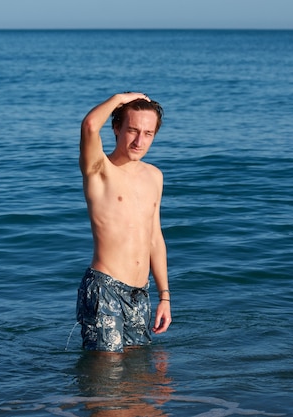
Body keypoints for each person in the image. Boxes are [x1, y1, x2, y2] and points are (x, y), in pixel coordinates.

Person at [76, 92, 172, 353]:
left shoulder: (154, 176)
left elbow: (155, 237)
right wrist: (120, 98)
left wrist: (165, 296)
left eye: (148, 133)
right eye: (132, 130)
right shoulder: (99, 169)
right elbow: (89, 125)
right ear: (116, 128)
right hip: (105, 288)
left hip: (140, 293)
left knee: (137, 373)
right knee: (106, 376)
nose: (140, 141)